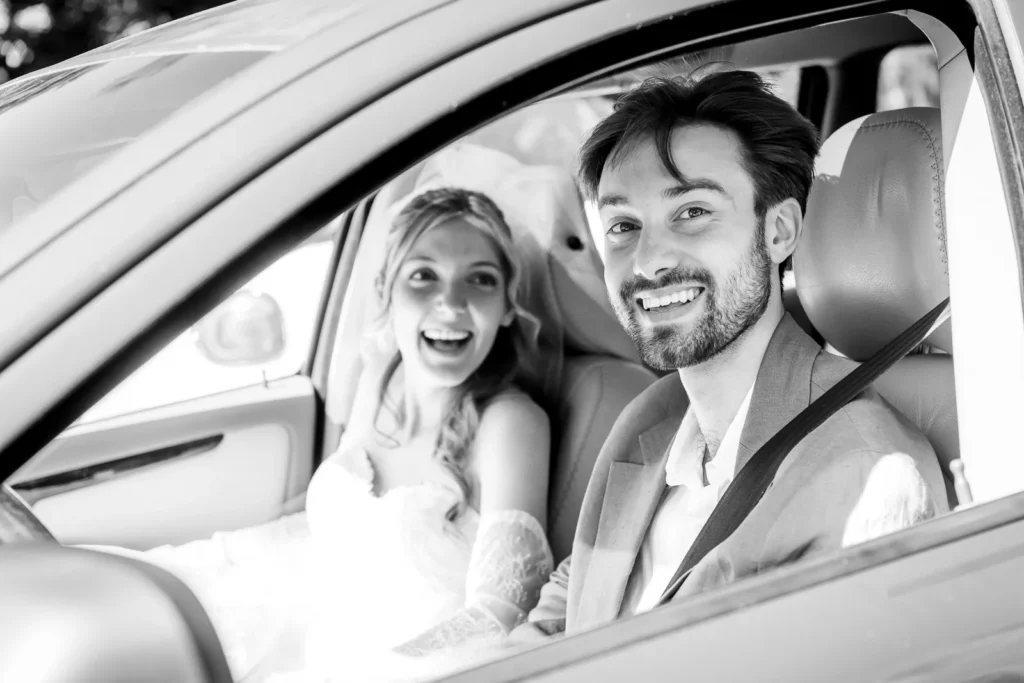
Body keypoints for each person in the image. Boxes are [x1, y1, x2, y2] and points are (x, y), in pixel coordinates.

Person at [505, 68, 948, 642]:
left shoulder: (866, 471)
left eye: (691, 212)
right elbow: (562, 617)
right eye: (622, 225)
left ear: (779, 231)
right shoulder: (650, 422)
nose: (647, 261)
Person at [135, 186, 558, 682]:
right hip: (316, 638)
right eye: (423, 275)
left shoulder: (509, 423)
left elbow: (499, 615)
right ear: (385, 290)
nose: (450, 304)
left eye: (480, 280)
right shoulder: (379, 381)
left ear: (507, 305)